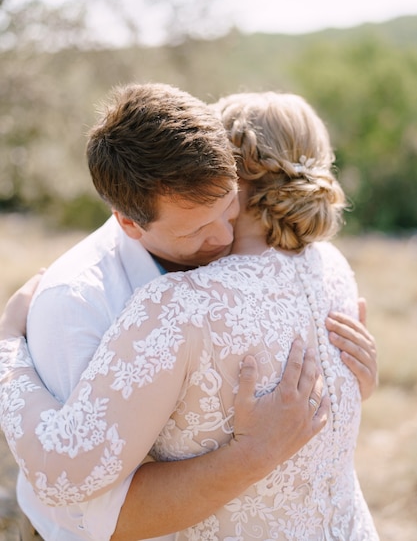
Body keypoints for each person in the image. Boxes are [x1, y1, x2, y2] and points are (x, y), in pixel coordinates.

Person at [0, 90, 379, 540]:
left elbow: (64, 472)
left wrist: (5, 342)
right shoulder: (330, 265)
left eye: (225, 210)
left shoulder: (178, 304)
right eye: (198, 226)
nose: (218, 237)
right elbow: (80, 501)